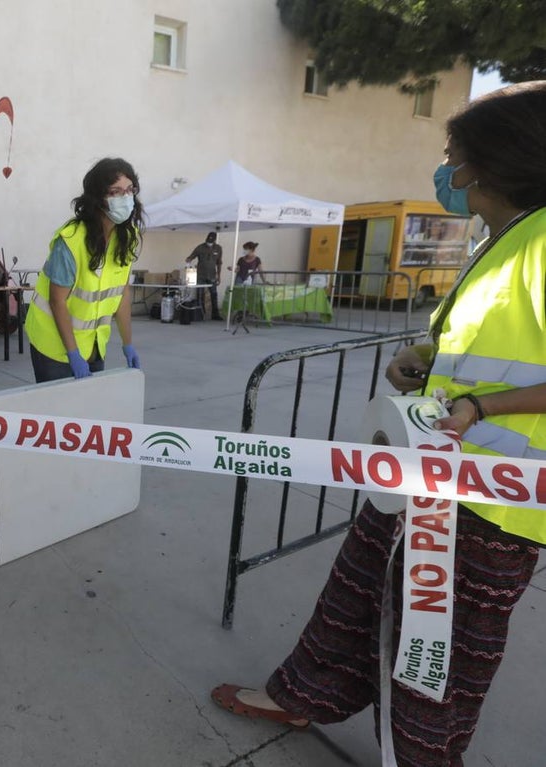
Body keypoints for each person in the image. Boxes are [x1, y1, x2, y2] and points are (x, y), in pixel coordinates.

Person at [210, 81, 546, 767]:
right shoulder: (506, 238)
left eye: (454, 156)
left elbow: (501, 384)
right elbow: (490, 347)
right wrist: (424, 359)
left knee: (437, 653)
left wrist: (481, 408)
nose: (447, 171)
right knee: (357, 589)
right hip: (428, 472)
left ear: (491, 162)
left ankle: (422, 757)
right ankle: (304, 693)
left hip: (491, 505)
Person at [23, 157, 141, 382]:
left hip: (94, 343)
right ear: (98, 198)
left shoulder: (128, 237)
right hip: (53, 345)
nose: (124, 198)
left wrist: (128, 344)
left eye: (129, 190)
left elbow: (122, 293)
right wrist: (73, 354)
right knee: (58, 413)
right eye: (115, 192)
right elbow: (57, 301)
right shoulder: (71, 240)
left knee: (86, 411)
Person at [186, 231, 224, 320]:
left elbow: (219, 263)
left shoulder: (218, 248)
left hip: (212, 275)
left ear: (214, 240)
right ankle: (201, 314)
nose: (209, 242)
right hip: (200, 275)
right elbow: (192, 256)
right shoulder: (200, 247)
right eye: (208, 240)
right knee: (200, 294)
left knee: (214, 294)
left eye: (211, 241)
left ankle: (215, 315)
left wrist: (219, 275)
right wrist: (189, 259)